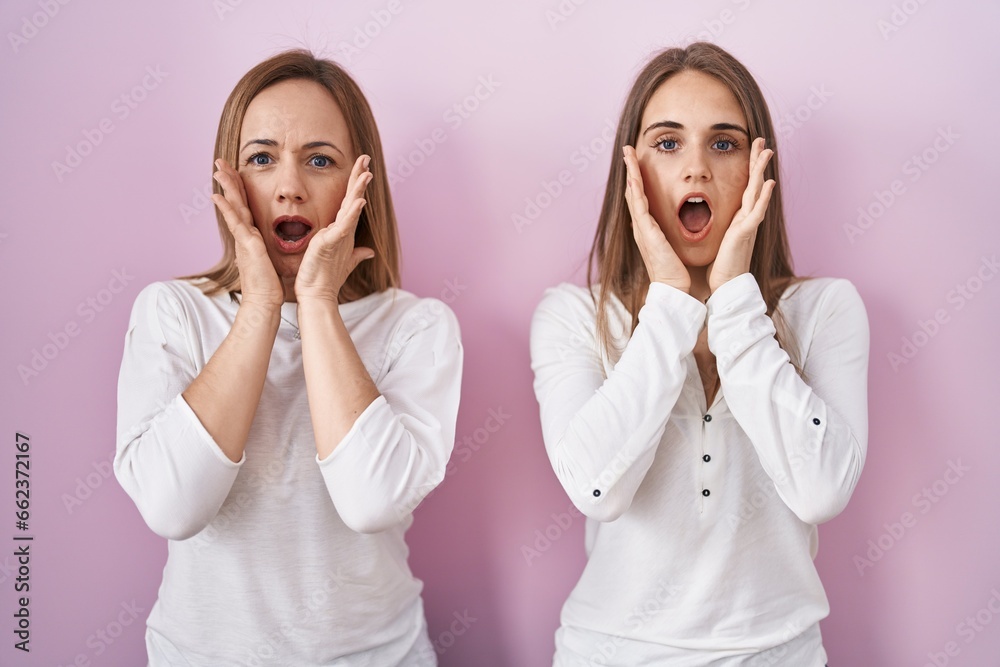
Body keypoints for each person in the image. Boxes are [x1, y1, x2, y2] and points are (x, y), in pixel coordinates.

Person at [114, 50, 462, 666]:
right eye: (262, 158)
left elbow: (371, 500)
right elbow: (172, 507)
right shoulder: (171, 312)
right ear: (228, 180)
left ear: (361, 183)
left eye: (320, 160)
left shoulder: (417, 327)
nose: (289, 186)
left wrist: (319, 302)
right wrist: (258, 312)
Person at [530, 42, 868, 666]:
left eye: (723, 143)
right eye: (667, 143)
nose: (695, 171)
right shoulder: (573, 317)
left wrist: (737, 301)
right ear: (629, 173)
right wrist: (669, 301)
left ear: (760, 167)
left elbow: (821, 490)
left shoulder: (826, 310)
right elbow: (598, 490)